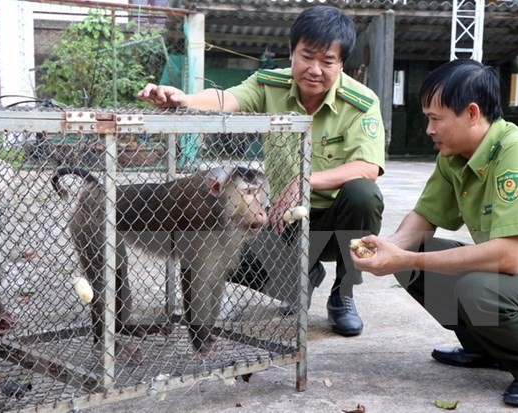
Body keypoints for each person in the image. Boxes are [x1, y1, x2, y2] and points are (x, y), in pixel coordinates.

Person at [351, 59, 518, 407]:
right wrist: (389, 250)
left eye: (435, 118)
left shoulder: (516, 153)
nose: (429, 129)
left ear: (472, 114)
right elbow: (424, 217)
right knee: (418, 259)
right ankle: (488, 347)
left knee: (476, 287)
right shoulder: (455, 155)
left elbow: (507, 257)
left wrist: (409, 257)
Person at [137, 6, 385, 337]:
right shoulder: (270, 84)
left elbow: (368, 167)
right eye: (306, 56)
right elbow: (228, 98)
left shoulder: (361, 101)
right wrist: (184, 99)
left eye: (327, 61)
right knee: (219, 256)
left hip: (337, 222)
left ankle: (343, 293)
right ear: (291, 52)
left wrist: (304, 181)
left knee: (362, 194)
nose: (314, 69)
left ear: (341, 64)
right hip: (286, 222)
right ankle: (301, 276)